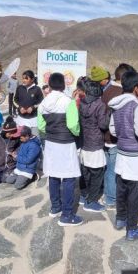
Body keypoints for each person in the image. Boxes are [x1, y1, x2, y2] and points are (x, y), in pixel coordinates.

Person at [109, 70, 138, 241]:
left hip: (121, 154)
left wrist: (124, 137)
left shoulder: (116, 106)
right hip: (136, 157)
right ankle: (132, 228)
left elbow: (112, 129)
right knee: (135, 193)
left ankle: (120, 219)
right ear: (136, 88)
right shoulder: (136, 106)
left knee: (121, 188)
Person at [38, 72, 82, 227]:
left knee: (54, 176)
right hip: (66, 143)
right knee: (69, 178)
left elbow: (41, 126)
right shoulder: (68, 101)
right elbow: (72, 125)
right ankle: (67, 215)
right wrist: (78, 134)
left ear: (49, 85)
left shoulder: (43, 103)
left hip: (51, 143)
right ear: (64, 85)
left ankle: (55, 207)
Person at [102, 63, 135, 208]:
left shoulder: (107, 89)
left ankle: (107, 194)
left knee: (108, 167)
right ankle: (111, 198)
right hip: (115, 137)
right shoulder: (121, 92)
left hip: (104, 136)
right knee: (113, 170)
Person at [78, 80, 110, 212]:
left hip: (84, 142)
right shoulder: (100, 104)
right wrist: (109, 114)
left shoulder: (82, 103)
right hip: (96, 142)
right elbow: (103, 125)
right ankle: (91, 201)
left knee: (86, 171)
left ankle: (83, 194)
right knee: (97, 173)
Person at [0, 117, 20, 184]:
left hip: (11, 165)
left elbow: (19, 148)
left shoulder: (16, 139)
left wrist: (15, 154)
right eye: (9, 133)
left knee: (4, 179)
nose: (11, 135)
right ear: (4, 132)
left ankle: (8, 173)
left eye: (13, 133)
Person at [14, 70, 44, 134]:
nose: (24, 80)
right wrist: (20, 108)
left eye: (26, 78)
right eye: (23, 78)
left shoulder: (37, 89)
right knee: (22, 138)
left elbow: (41, 101)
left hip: (33, 119)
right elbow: (15, 100)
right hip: (21, 119)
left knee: (34, 138)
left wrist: (33, 107)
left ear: (32, 79)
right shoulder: (19, 88)